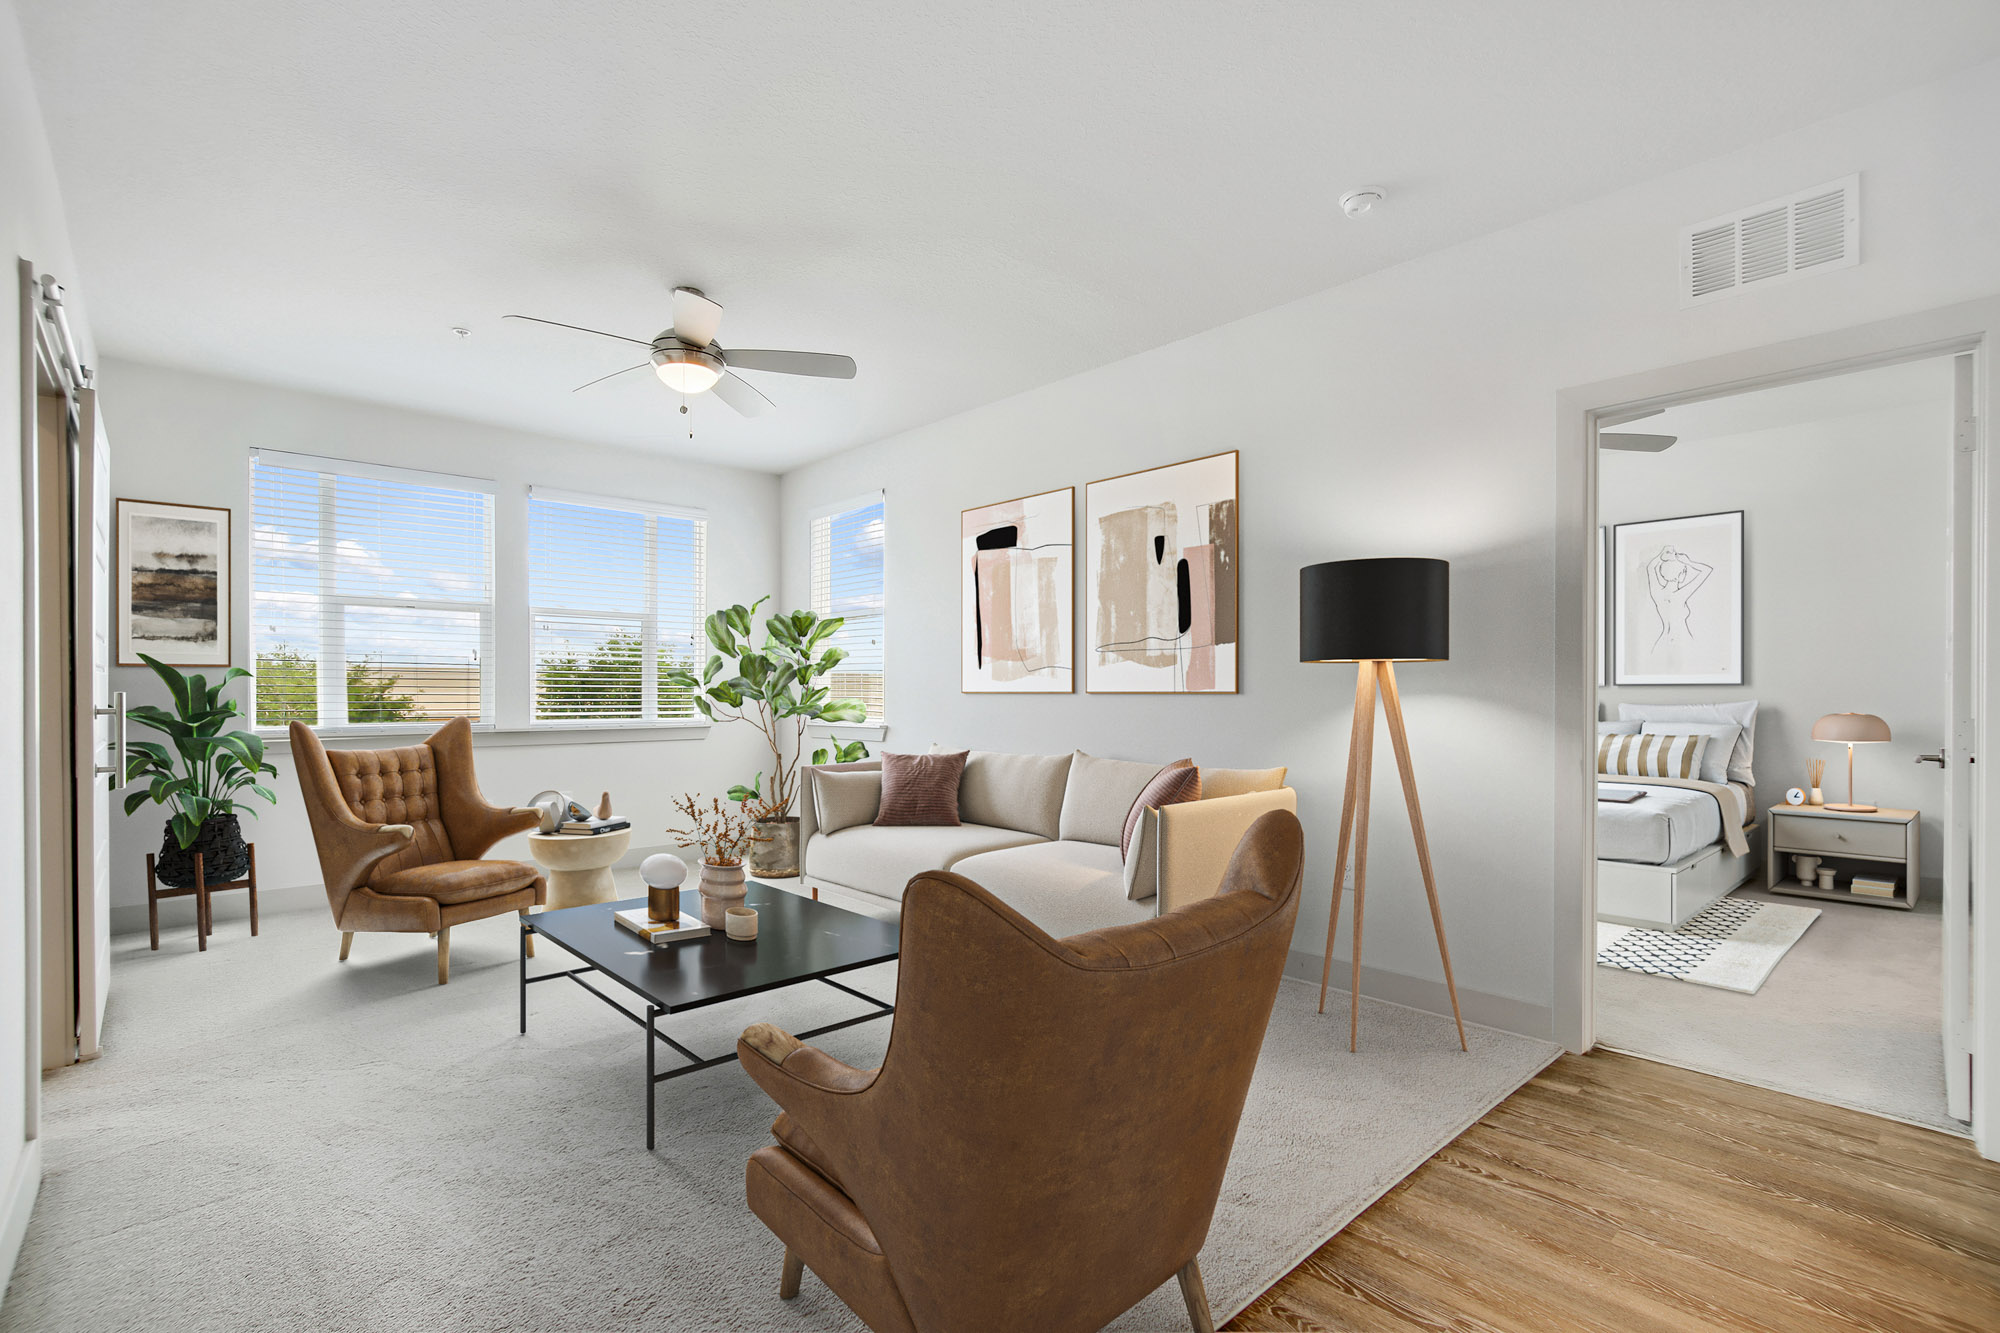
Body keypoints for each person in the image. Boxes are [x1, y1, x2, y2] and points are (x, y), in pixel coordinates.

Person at [1646, 544, 1712, 650]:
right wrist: (1688, 562)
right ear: (1681, 575)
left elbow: (1650, 568)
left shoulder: (1657, 592)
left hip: (1662, 642)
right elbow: (1707, 570)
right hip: (1681, 641)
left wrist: (1663, 554)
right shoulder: (1680, 595)